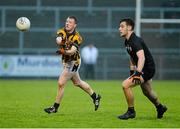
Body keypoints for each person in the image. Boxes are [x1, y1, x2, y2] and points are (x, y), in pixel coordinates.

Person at [44, 16, 101, 113]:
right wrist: (60, 41)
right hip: (66, 61)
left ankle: (55, 107)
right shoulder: (62, 31)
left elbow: (71, 52)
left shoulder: (77, 37)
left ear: (75, 25)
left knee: (61, 83)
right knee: (77, 82)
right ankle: (96, 97)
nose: (67, 23)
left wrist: (63, 51)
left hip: (74, 62)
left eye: (70, 22)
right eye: (66, 21)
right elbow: (58, 39)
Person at [117, 18, 167, 120]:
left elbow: (141, 57)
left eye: (122, 26)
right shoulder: (127, 41)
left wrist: (138, 73)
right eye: (119, 27)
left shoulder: (135, 41)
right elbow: (132, 56)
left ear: (129, 27)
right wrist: (132, 71)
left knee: (125, 85)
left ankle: (131, 111)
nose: (119, 29)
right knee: (147, 92)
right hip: (144, 68)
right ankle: (160, 107)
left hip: (147, 68)